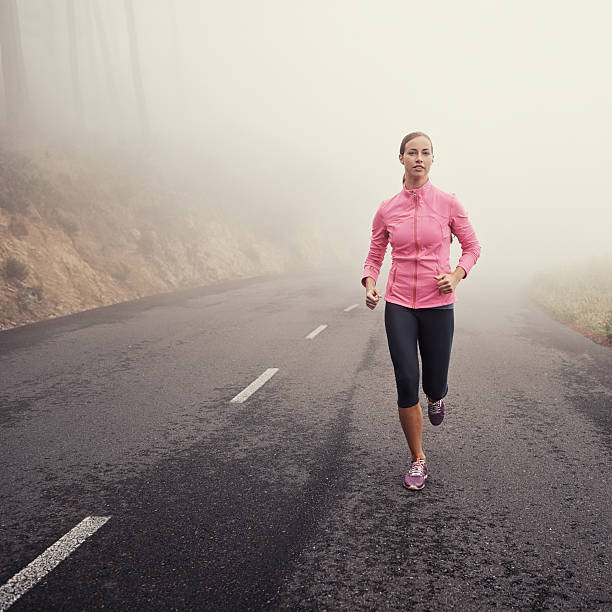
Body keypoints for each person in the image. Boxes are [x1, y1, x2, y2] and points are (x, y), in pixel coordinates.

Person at [361, 131, 481, 490]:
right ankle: (418, 459)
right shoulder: (387, 209)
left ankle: (437, 395)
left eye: (425, 153)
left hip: (438, 305)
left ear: (432, 160)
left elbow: (473, 247)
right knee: (405, 380)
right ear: (401, 159)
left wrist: (457, 275)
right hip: (399, 304)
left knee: (434, 381)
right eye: (412, 152)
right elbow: (374, 256)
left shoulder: (448, 203)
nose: (418, 158)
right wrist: (369, 283)